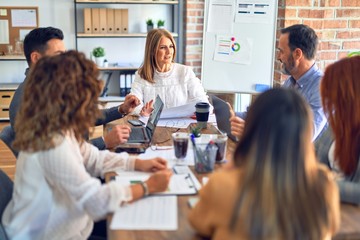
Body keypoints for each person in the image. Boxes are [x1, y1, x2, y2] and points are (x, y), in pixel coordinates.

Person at [2, 51, 172, 240]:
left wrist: (137, 164)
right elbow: (96, 201)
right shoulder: (51, 145)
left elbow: (92, 157)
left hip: (69, 222)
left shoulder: (54, 124)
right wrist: (147, 187)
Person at [188, 88, 339, 240]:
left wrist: (230, 167)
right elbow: (331, 228)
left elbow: (196, 221)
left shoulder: (223, 185)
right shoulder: (324, 185)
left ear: (253, 128)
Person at [9, 27, 138, 150]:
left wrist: (121, 109)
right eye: (58, 54)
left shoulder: (52, 87)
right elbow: (55, 155)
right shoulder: (25, 102)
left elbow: (83, 117)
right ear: (36, 58)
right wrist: (105, 141)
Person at [230, 24, 327, 141]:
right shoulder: (290, 83)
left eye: (281, 51)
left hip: (299, 157)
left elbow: (304, 137)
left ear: (297, 54)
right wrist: (232, 115)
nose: (278, 57)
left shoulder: (322, 88)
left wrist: (253, 132)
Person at [130, 28, 211, 116]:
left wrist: (199, 111)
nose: (169, 52)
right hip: (154, 127)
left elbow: (203, 102)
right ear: (152, 51)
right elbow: (134, 105)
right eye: (162, 47)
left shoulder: (185, 72)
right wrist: (142, 111)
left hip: (181, 126)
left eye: (171, 46)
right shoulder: (141, 75)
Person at [315, 56, 360, 205]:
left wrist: (324, 183)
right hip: (329, 206)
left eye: (335, 95)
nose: (331, 101)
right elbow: (313, 156)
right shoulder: (339, 122)